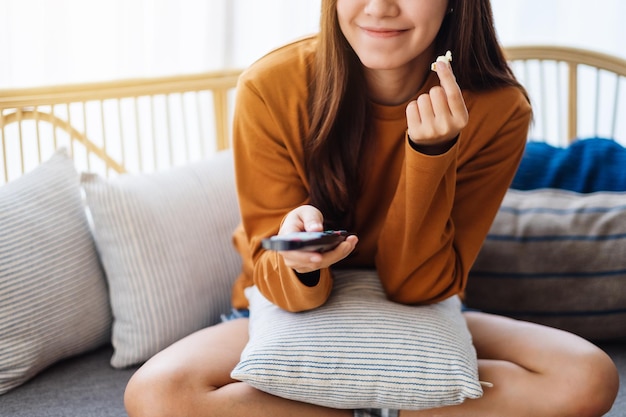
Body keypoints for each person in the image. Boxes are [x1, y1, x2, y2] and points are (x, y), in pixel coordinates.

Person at [124, 1, 619, 416]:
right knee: (158, 393)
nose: (381, 7)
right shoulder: (272, 87)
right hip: (288, 311)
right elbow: (274, 280)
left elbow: (417, 288)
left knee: (587, 377)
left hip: (419, 310)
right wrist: (300, 263)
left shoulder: (498, 109)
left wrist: (429, 156)